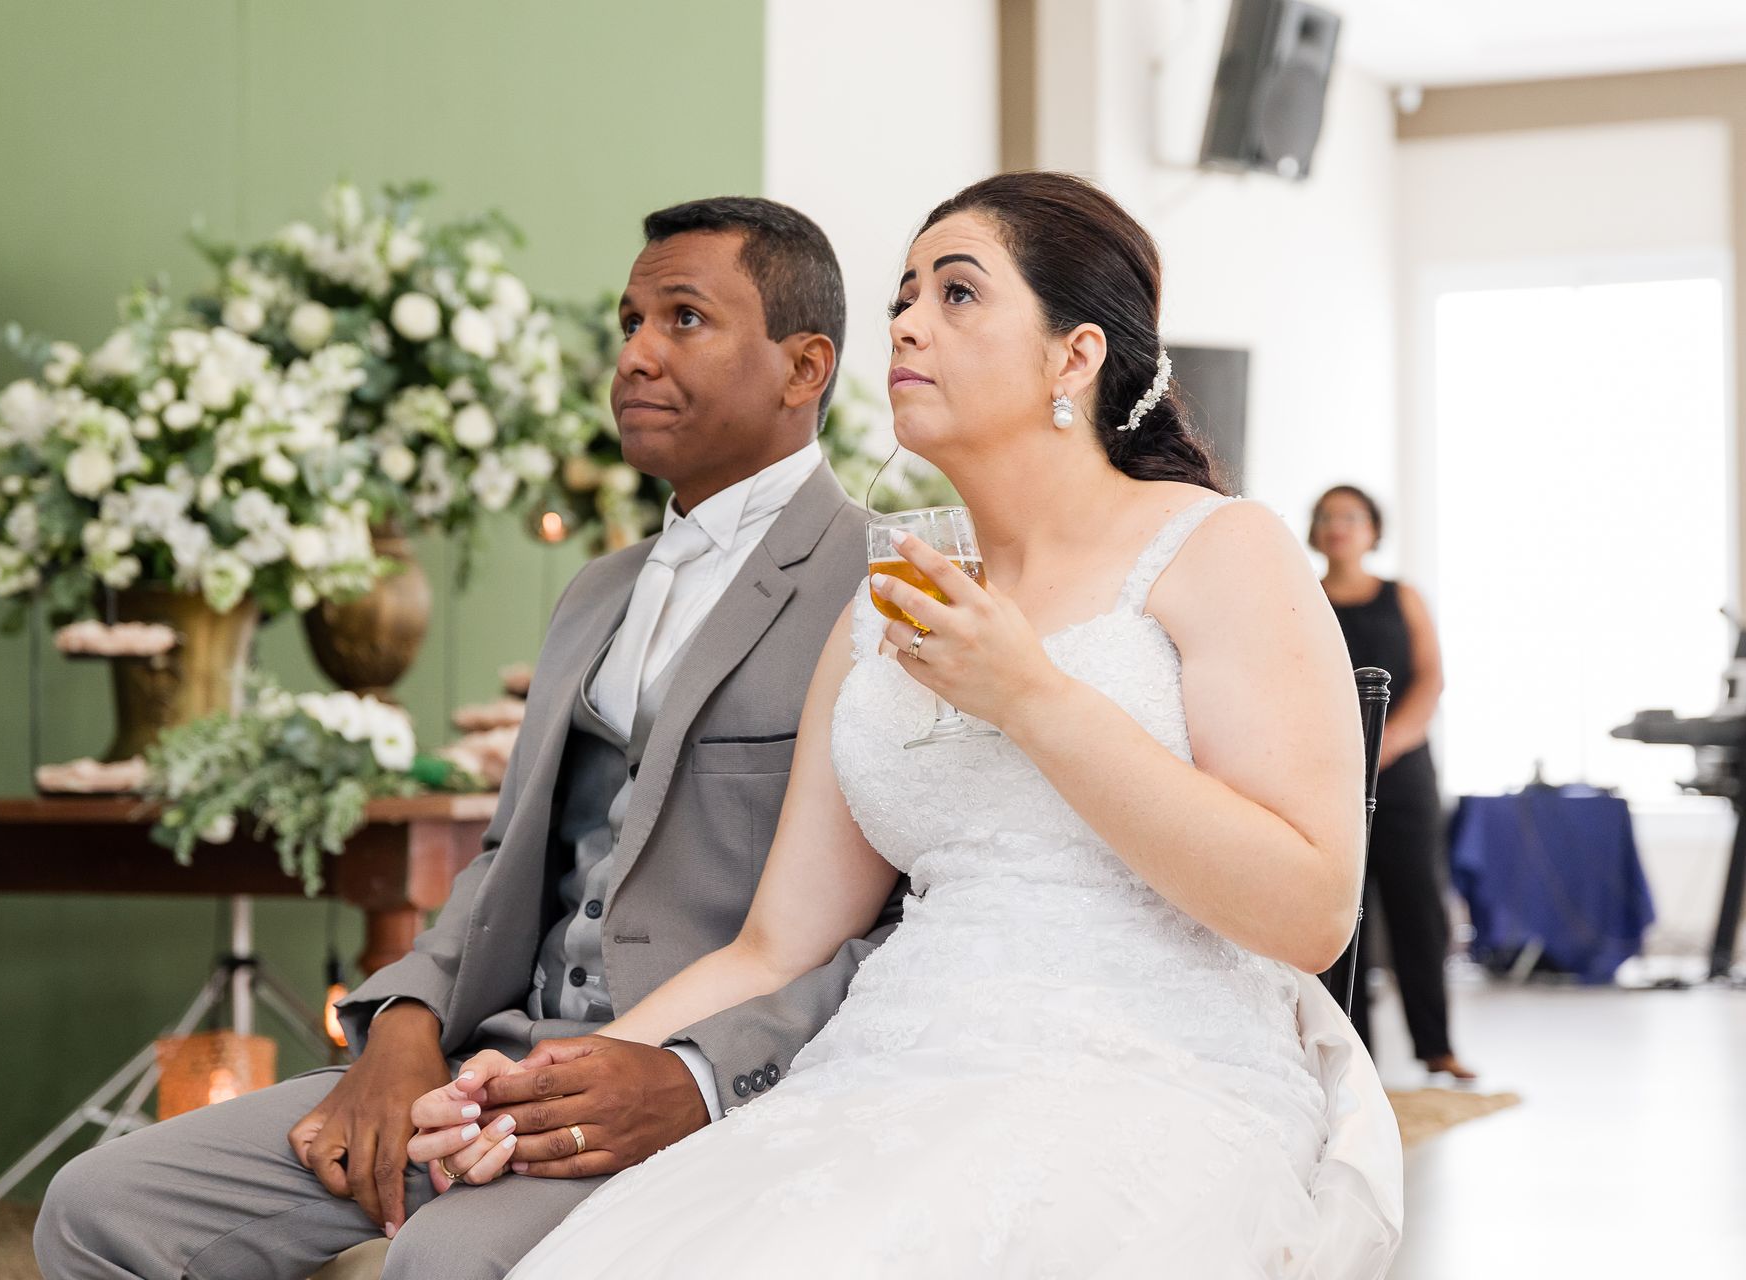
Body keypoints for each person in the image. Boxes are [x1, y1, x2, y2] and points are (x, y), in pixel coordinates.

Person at [422, 171, 1404, 1276]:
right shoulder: (884, 601)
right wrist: (553, 1068)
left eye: (957, 293)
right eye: (902, 295)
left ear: (1074, 355)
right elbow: (778, 942)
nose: (905, 321)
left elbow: (1312, 909)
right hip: (883, 1073)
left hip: (1145, 1074)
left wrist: (1032, 697)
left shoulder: (1221, 549)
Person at [34, 196, 891, 1279]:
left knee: (440, 1263)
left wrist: (699, 1074)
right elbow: (507, 862)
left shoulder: (886, 584)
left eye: (682, 319)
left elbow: (911, 924)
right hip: (494, 1062)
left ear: (803, 366)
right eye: (628, 321)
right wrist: (400, 1022)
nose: (634, 353)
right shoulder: (599, 589)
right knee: (100, 1205)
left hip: (689, 1083)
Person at [1313, 483, 1477, 1080]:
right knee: (1341, 912)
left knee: (1417, 910)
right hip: (1327, 778)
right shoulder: (1303, 596)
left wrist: (1383, 747)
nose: (1339, 526)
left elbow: (1429, 681)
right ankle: (1353, 1054)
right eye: (1328, 517)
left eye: (1351, 517)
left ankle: (1437, 1047)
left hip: (1401, 777)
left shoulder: (1402, 596)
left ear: (1372, 530)